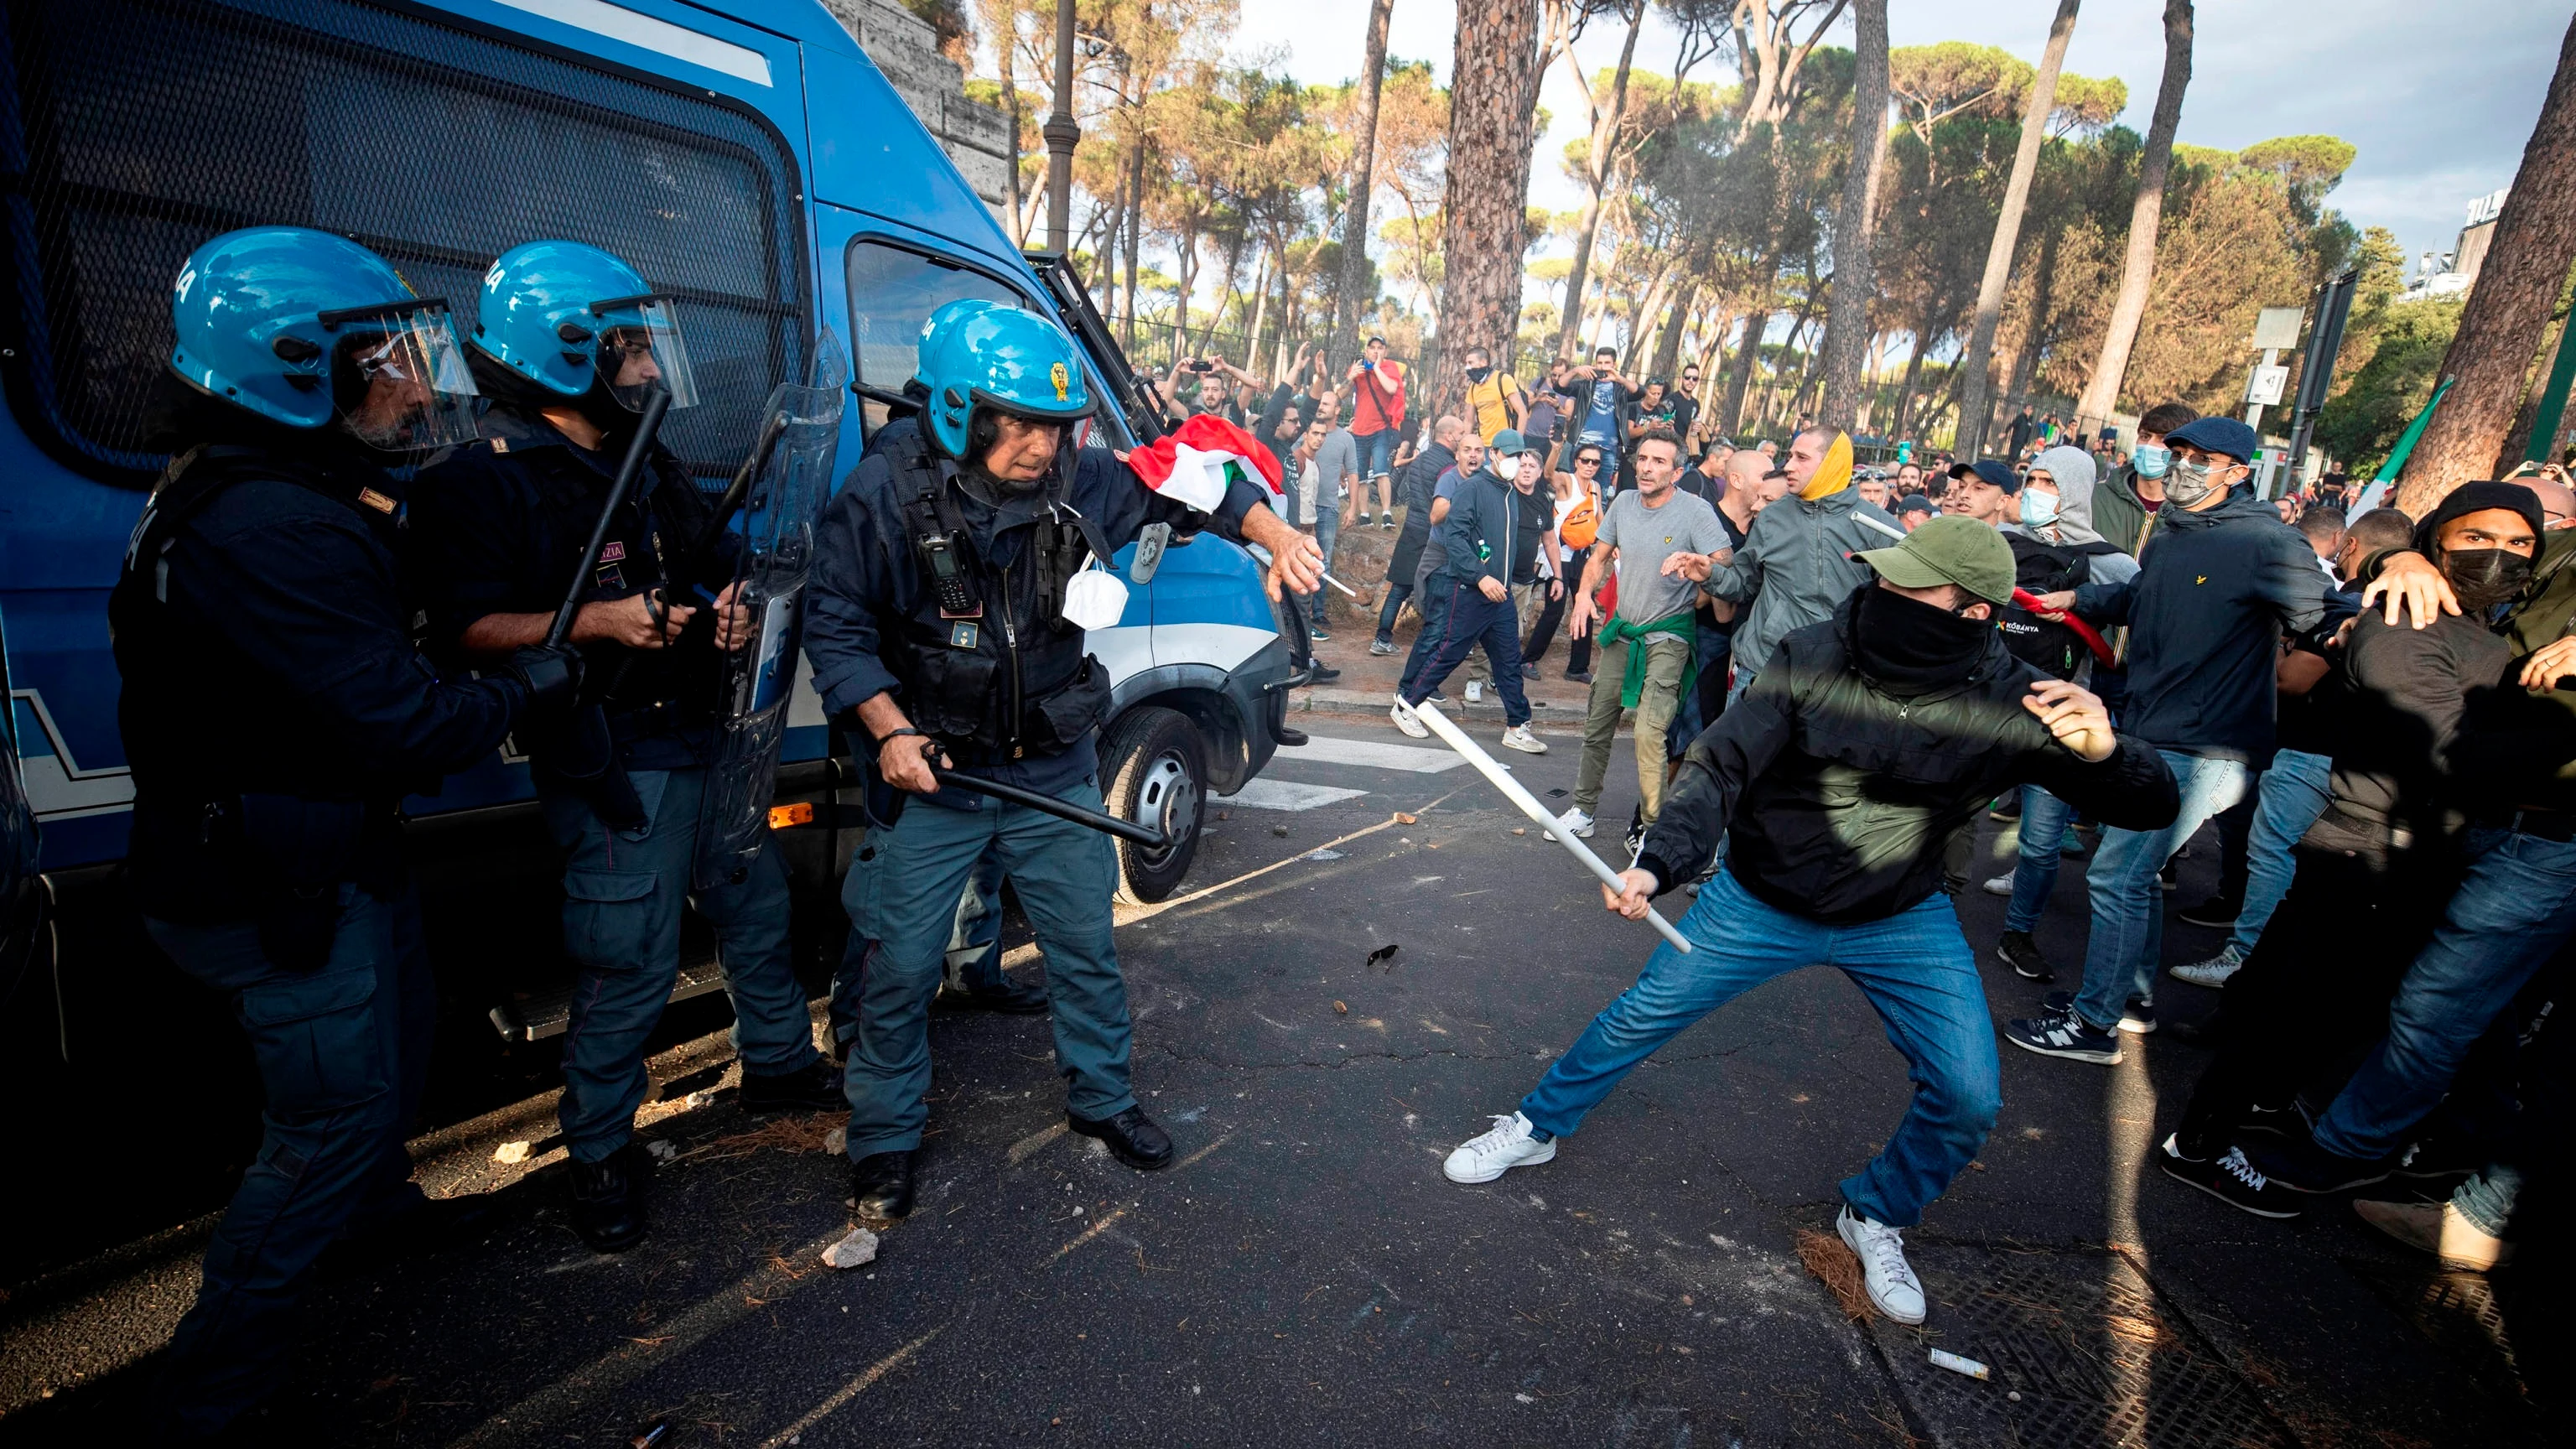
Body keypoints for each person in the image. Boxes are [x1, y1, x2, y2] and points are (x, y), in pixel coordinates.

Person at [1441, 518, 2179, 1324]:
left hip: (1901, 915)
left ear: (1972, 613)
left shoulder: (2018, 698)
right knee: (1637, 1017)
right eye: (1885, 577)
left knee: (1969, 1095)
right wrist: (1661, 863)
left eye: (1907, 585)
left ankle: (1876, 1212)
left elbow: (2149, 805)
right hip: (1760, 897)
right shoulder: (1814, 651)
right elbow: (1722, 764)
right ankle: (1538, 1124)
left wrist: (2107, 754)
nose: (1883, 592)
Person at [115, 227, 574, 1434]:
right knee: (327, 1123)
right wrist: (529, 685)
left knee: (399, 1035)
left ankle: (376, 1219)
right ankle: (212, 1393)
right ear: (291, 370)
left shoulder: (263, 489)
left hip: (319, 843)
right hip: (275, 873)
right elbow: (405, 723)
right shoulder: (275, 526)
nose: (418, 388)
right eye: (390, 364)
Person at [802, 299, 1321, 1225]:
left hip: (1052, 765)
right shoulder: (881, 497)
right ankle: (883, 1139)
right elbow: (835, 630)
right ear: (962, 411)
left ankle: (1103, 1099)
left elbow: (1191, 484)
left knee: (1084, 948)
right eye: (1029, 426)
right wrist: (888, 732)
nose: (1049, 445)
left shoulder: (1080, 478)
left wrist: (1274, 535)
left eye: (1059, 424)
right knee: (901, 967)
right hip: (942, 778)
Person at [413, 241, 845, 1250]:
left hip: (704, 727)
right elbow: (459, 629)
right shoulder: (480, 480)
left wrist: (733, 597)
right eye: (633, 349)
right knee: (628, 956)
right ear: (568, 355)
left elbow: (713, 552)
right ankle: (599, 1147)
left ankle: (778, 1062)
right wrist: (601, 625)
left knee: (755, 900)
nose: (652, 369)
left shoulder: (639, 456)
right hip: (613, 754)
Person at [2156, 484, 2549, 1216]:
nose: (2499, 556)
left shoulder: (2482, 630)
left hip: (2416, 857)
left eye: (2521, 543)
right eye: (2476, 539)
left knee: (2341, 1006)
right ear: (2437, 541)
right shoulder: (2401, 623)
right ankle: (2199, 1146)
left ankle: (2258, 1112)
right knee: (2287, 1008)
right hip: (2362, 852)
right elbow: (2447, 754)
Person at [2007, 418, 2334, 1063]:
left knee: (2117, 874)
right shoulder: (2174, 534)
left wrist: (2400, 565)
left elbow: (2326, 614)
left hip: (2210, 743)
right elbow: (2138, 597)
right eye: (2174, 451)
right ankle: (2129, 1001)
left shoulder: (2266, 541)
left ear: (2238, 472)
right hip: (2156, 727)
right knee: (2136, 874)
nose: (2178, 463)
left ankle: (2094, 1024)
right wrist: (2076, 597)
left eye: (2198, 457)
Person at [2167, 505, 2417, 991]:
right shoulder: (2408, 600)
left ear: (2350, 546)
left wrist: (2273, 645)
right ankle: (2262, 960)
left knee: (2273, 854)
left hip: (2314, 751)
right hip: (2357, 763)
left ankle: (2246, 959)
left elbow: (2293, 680)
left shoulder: (2354, 602)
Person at [1981, 446, 2140, 983]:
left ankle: (2018, 933)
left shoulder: (2111, 562)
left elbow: (2141, 626)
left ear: (2075, 490)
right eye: (2032, 478)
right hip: (1986, 705)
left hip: (2060, 715)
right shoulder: (1999, 543)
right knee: (1945, 813)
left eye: (2050, 481)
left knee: (2042, 841)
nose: (2035, 490)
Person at [1550, 429, 1727, 849]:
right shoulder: (1624, 503)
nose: (1647, 467)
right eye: (1643, 458)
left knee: (1650, 734)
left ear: (1678, 471)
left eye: (1659, 461)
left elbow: (1724, 566)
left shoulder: (1696, 512)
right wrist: (1581, 596)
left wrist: (1697, 568)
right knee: (1597, 724)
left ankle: (1652, 830)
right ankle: (1583, 811)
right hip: (1624, 633)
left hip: (1669, 636)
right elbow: (1597, 559)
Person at [1704, 427, 1902, 698]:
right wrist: (1708, 573)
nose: (1789, 466)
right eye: (1790, 456)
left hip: (1836, 678)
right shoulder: (1772, 518)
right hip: (1763, 666)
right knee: (1734, 742)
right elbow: (1742, 585)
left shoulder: (1877, 527)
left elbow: (1898, 603)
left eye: (1802, 458)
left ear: (1832, 462)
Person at [1391, 431, 1550, 755]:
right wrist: (1480, 578)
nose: (1515, 462)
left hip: (1500, 595)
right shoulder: (1472, 489)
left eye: (1519, 456)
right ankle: (1406, 705)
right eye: (1508, 455)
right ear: (1494, 455)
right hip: (1471, 592)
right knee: (1448, 653)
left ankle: (1517, 726)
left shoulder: (1510, 493)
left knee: (1508, 662)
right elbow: (1455, 539)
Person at [1398, 432, 1488, 700]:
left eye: (1479, 451)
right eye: (1468, 450)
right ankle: (1407, 687)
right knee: (1436, 629)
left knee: (1450, 632)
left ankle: (1425, 684)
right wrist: (1465, 495)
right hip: (1441, 563)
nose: (1473, 455)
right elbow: (1436, 516)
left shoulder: (1483, 482)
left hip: (1465, 564)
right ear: (1457, 454)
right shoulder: (1451, 479)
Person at [1377, 416, 1462, 655]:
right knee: (1438, 592)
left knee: (1398, 589)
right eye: (1461, 433)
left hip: (1411, 529)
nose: (1463, 437)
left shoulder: (1421, 458)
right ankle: (1439, 643)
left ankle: (1381, 638)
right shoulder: (1449, 467)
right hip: (1431, 535)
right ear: (1449, 436)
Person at [1524, 442, 1607, 682]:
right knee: (1555, 610)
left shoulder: (1596, 487)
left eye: (1595, 462)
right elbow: (1548, 475)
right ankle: (1528, 659)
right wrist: (1556, 449)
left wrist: (1610, 548)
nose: (1590, 466)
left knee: (1585, 608)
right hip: (1559, 556)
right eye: (1585, 460)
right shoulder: (1566, 481)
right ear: (1576, 461)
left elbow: (1598, 517)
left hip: (1583, 555)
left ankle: (1578, 667)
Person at [2090, 402, 2198, 558]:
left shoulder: (2193, 515)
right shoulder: (2096, 499)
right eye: (2145, 436)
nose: (2148, 445)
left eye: (2163, 439)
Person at [1346, 334, 1408, 518]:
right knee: (1361, 475)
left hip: (1381, 428)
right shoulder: (1358, 368)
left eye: (1380, 348)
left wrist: (1377, 368)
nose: (1376, 351)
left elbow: (1391, 388)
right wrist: (1350, 378)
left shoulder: (1390, 368)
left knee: (1381, 471)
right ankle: (1364, 514)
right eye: (1372, 347)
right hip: (1359, 430)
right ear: (1367, 350)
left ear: (1385, 351)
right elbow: (1340, 393)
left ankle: (1386, 513)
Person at [1568, 345, 1639, 490]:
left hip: (1608, 448)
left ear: (1614, 364)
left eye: (1607, 363)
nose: (1603, 367)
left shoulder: (1620, 388)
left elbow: (1640, 393)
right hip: (1583, 444)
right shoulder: (1586, 385)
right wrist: (1576, 371)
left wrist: (1620, 379)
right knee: (1576, 489)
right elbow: (1560, 386)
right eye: (1600, 363)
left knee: (1602, 492)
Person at [1462, 344, 1526, 444]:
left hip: (1505, 445)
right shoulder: (1473, 387)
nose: (1467, 367)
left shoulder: (1503, 380)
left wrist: (1517, 442)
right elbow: (1469, 420)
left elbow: (1522, 412)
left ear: (1483, 362)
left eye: (1470, 363)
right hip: (1484, 445)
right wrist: (1464, 443)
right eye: (1466, 363)